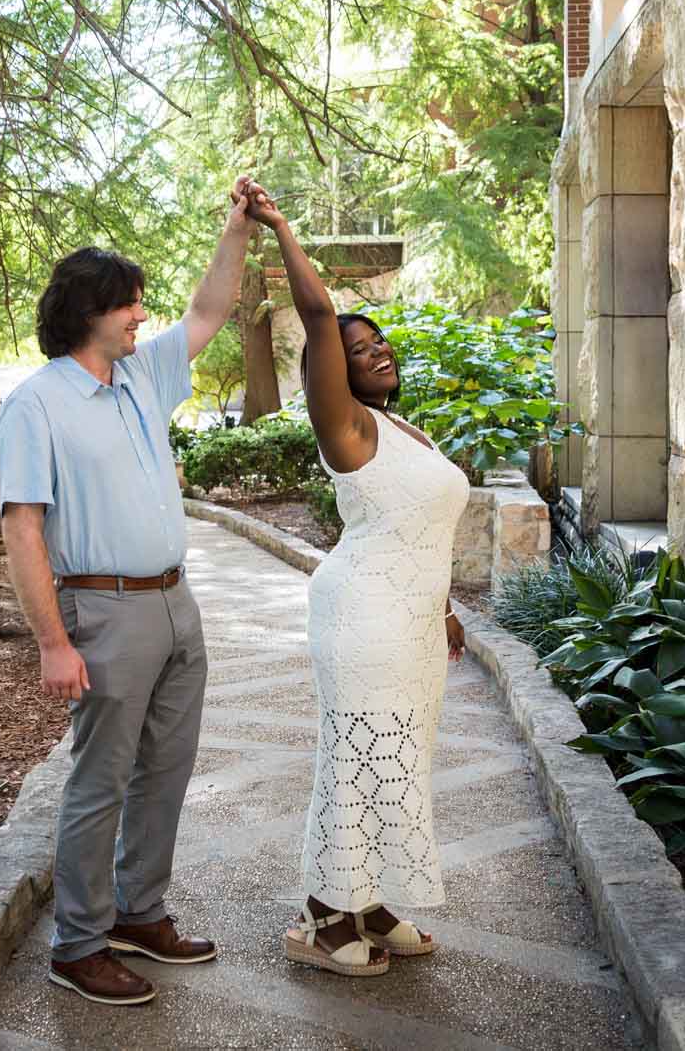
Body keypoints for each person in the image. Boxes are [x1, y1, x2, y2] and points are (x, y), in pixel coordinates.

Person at [0, 177, 258, 1007]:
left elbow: (209, 310)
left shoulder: (142, 376)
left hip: (178, 603)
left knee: (166, 770)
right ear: (88, 312)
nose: (143, 317)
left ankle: (139, 913)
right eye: (129, 306)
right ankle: (77, 943)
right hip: (102, 611)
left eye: (143, 305)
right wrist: (51, 642)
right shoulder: (35, 405)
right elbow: (23, 529)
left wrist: (237, 228)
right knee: (99, 779)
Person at [247, 181, 469, 979]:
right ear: (328, 369)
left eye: (379, 342)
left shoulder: (408, 427)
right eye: (354, 346)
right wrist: (279, 227)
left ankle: (368, 901)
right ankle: (319, 914)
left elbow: (417, 527)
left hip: (411, 619)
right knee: (358, 755)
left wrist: (443, 609)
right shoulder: (345, 425)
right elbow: (315, 317)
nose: (374, 349)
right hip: (364, 614)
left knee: (398, 758)